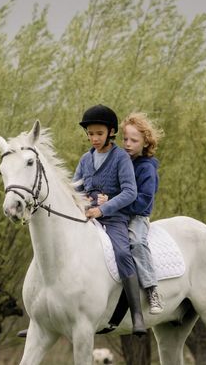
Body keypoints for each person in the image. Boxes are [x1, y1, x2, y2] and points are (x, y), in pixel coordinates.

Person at [72, 104, 145, 336]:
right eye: (90, 133)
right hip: (88, 218)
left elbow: (130, 192)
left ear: (110, 132)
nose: (94, 138)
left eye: (99, 134)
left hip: (114, 220)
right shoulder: (85, 159)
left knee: (123, 253)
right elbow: (74, 188)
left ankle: (137, 314)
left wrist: (103, 209)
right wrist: (86, 202)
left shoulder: (120, 157)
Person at [98, 112, 164, 315]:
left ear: (145, 143)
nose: (127, 144)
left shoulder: (147, 169)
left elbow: (143, 200)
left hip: (137, 216)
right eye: (125, 139)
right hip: (116, 213)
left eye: (134, 140)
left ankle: (152, 289)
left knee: (135, 242)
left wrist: (113, 203)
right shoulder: (120, 160)